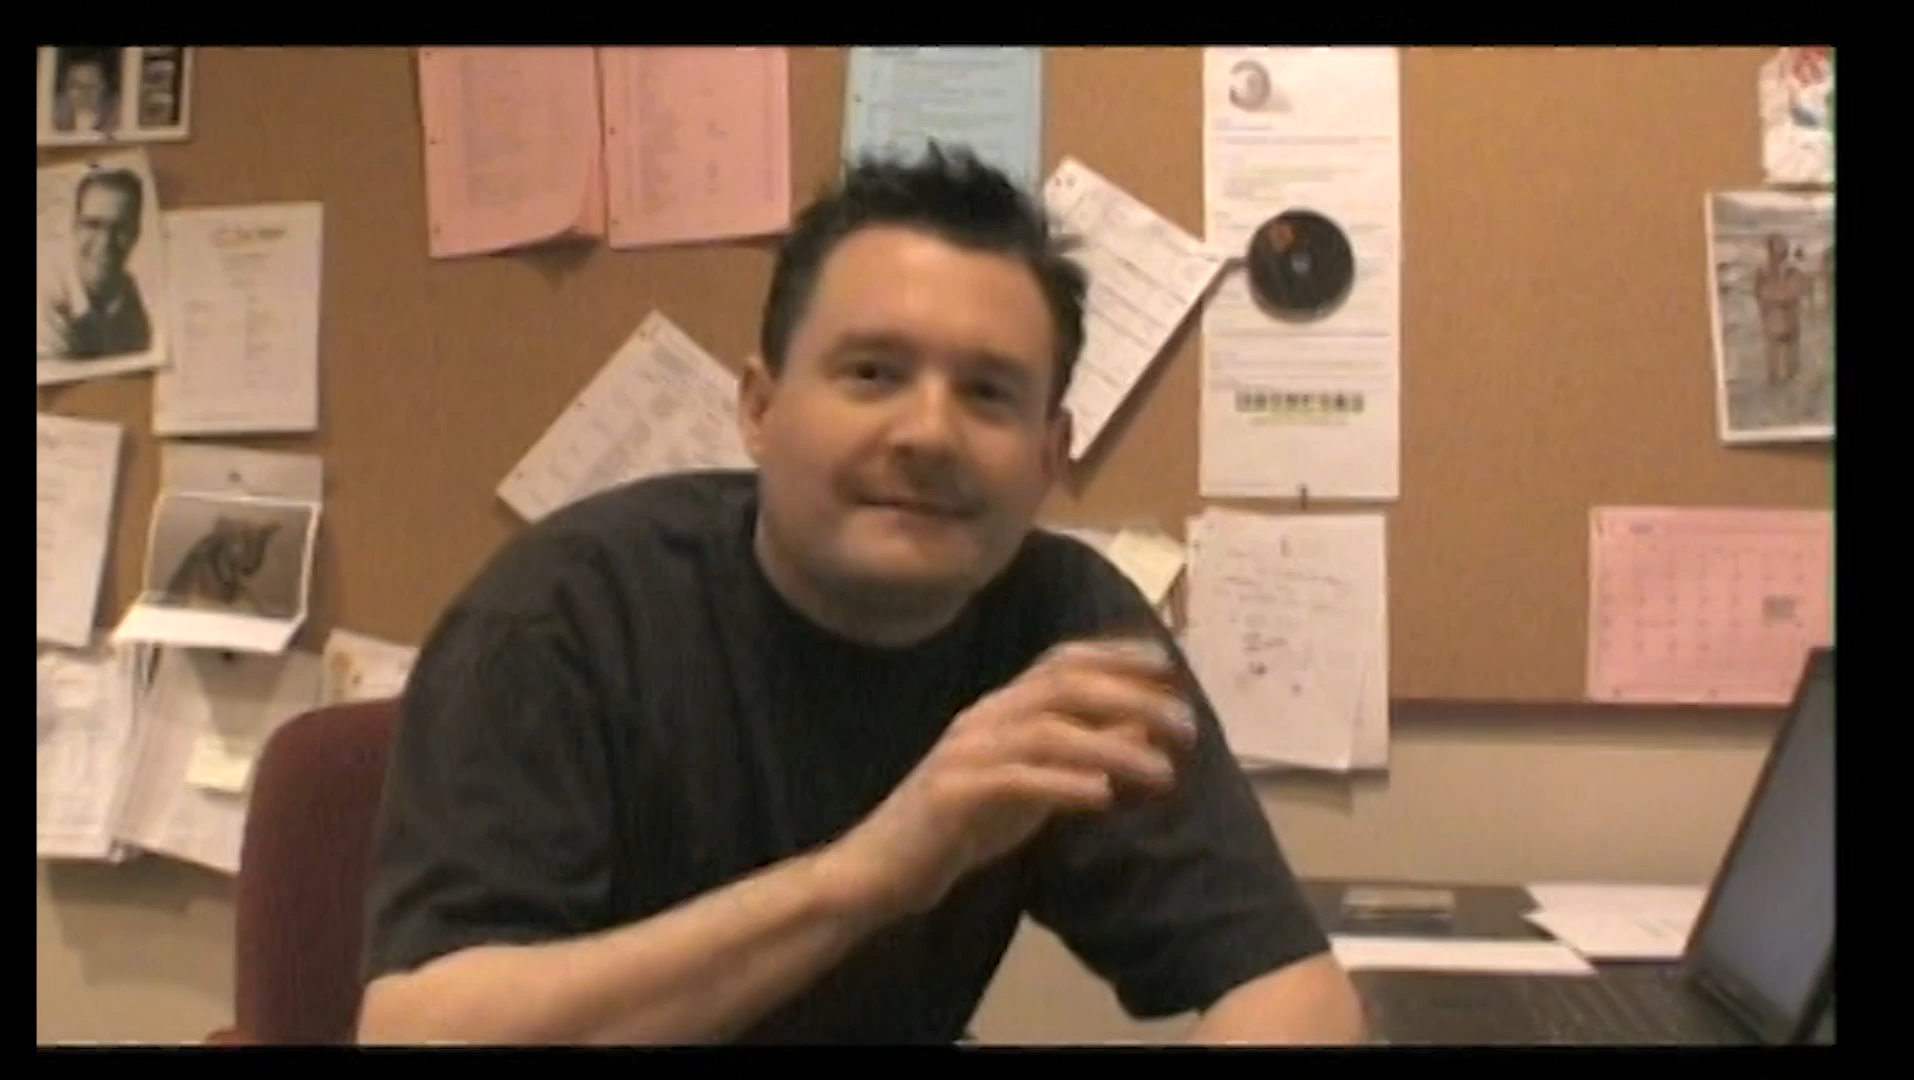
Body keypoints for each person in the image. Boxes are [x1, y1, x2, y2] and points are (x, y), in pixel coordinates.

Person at [355, 144, 1366, 1046]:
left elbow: (1292, 993)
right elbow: (416, 1033)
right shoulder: (564, 617)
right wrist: (873, 871)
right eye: (873, 373)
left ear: (1049, 455)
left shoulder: (1063, 627)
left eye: (988, 393)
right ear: (760, 408)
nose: (927, 434)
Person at [38, 167, 153, 360]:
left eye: (120, 228)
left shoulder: (127, 292)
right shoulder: (46, 292)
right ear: (74, 226)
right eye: (93, 225)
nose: (105, 242)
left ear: (136, 234)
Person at [1753, 233, 1808, 387]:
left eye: (1782, 246)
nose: (1780, 250)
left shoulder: (1792, 269)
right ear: (1770, 249)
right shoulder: (1763, 270)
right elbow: (1758, 292)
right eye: (1777, 246)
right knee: (1774, 348)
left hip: (1790, 311)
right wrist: (1768, 303)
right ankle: (1774, 379)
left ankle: (1791, 377)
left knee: (1791, 345)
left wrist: (1791, 298)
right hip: (1773, 312)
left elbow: (1799, 289)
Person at [50, 48, 120, 135]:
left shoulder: (117, 120)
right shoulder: (53, 119)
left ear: (103, 87)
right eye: (76, 86)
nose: (83, 94)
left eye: (91, 86)